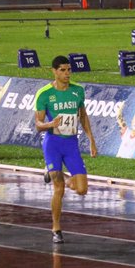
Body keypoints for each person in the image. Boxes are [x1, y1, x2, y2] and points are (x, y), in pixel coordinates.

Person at [34, 55, 97, 243]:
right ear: (54, 71)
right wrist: (49, 124)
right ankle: (56, 228)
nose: (67, 73)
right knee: (59, 187)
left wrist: (92, 140)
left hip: (71, 144)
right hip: (53, 143)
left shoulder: (77, 91)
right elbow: (37, 124)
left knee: (82, 189)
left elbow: (83, 116)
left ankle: (52, 172)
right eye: (63, 70)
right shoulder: (44, 94)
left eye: (69, 69)